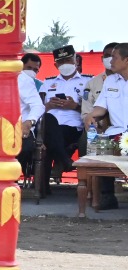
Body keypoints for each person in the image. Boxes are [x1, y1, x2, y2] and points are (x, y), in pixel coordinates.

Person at [85, 42, 128, 208]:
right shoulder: (110, 81)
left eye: (115, 57)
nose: (111, 61)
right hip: (117, 133)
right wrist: (90, 115)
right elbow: (100, 107)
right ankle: (107, 196)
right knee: (97, 147)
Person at [38, 44, 89, 178]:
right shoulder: (48, 83)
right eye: (61, 62)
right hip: (48, 125)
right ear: (56, 65)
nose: (64, 64)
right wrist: (49, 105)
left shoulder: (88, 81)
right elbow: (37, 108)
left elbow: (93, 108)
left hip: (73, 127)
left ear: (76, 61)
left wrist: (75, 106)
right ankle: (64, 159)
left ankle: (61, 161)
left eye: (68, 60)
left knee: (51, 136)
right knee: (48, 121)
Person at [81, 42, 118, 126]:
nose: (110, 59)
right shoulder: (92, 83)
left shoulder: (124, 80)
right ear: (102, 58)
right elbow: (86, 114)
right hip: (100, 131)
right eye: (107, 55)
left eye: (113, 56)